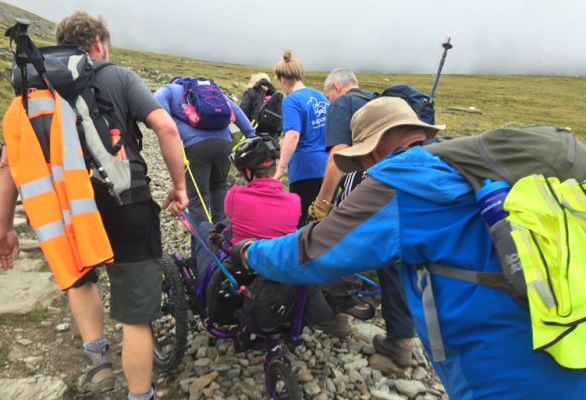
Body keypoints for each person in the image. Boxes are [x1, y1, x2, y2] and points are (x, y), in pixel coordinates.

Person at [231, 97, 586, 399]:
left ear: (375, 146)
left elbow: (310, 253)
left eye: (360, 159)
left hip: (504, 368)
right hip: (570, 337)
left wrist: (248, 252)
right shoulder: (468, 164)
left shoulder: (400, 181)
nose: (363, 169)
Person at [0, 11, 187, 400]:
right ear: (98, 42)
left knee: (79, 280)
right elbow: (165, 127)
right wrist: (179, 187)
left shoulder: (31, 88)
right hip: (126, 200)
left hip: (66, 207)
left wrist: (3, 228)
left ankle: (98, 364)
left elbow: (8, 164)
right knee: (135, 314)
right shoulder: (118, 76)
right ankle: (139, 395)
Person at [313, 68, 416, 363]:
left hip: (367, 187)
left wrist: (322, 203)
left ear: (335, 88)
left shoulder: (341, 105)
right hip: (401, 187)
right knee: (392, 260)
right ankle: (401, 340)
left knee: (338, 243)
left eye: (327, 94)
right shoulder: (377, 101)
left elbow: (338, 157)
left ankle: (337, 316)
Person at [188, 134, 301, 281]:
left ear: (248, 172)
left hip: (239, 268)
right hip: (277, 269)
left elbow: (230, 214)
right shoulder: (295, 200)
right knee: (228, 224)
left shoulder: (235, 195)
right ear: (275, 169)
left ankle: (200, 281)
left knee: (202, 226)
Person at [155, 78, 256, 224]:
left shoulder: (168, 90)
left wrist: (172, 136)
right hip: (225, 144)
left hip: (195, 147)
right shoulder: (211, 91)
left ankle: (204, 244)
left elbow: (158, 107)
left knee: (197, 198)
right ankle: (221, 239)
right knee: (220, 187)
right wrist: (252, 137)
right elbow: (236, 110)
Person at [272, 50, 330, 228]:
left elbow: (293, 134)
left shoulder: (291, 100)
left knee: (299, 219)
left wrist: (280, 167)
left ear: (282, 80)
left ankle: (299, 255)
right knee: (322, 219)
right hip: (327, 165)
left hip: (305, 167)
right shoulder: (321, 96)